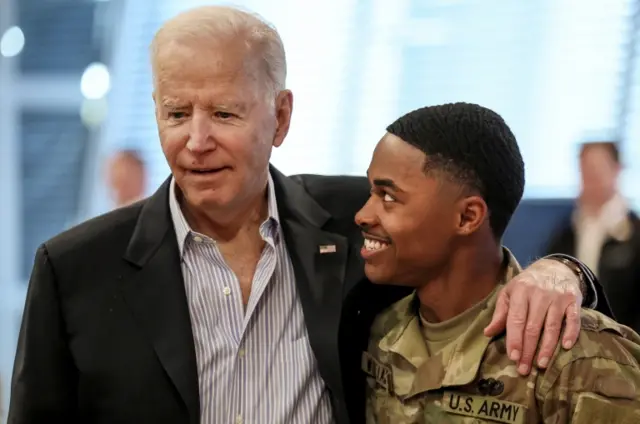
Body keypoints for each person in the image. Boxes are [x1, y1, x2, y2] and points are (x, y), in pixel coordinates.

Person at [9, 6, 610, 424]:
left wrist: (562, 272)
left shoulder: (361, 221)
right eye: (175, 113)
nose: (195, 141)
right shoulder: (75, 270)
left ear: (282, 117)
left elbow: (470, 255)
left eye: (222, 114)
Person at [361, 103, 640, 423]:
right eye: (372, 191)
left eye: (388, 196)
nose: (363, 215)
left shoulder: (579, 359)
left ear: (467, 217)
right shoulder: (380, 330)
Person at [546, 141, 640, 332]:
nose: (591, 178)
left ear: (616, 170)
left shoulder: (633, 234)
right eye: (585, 170)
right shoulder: (567, 231)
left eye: (597, 169)